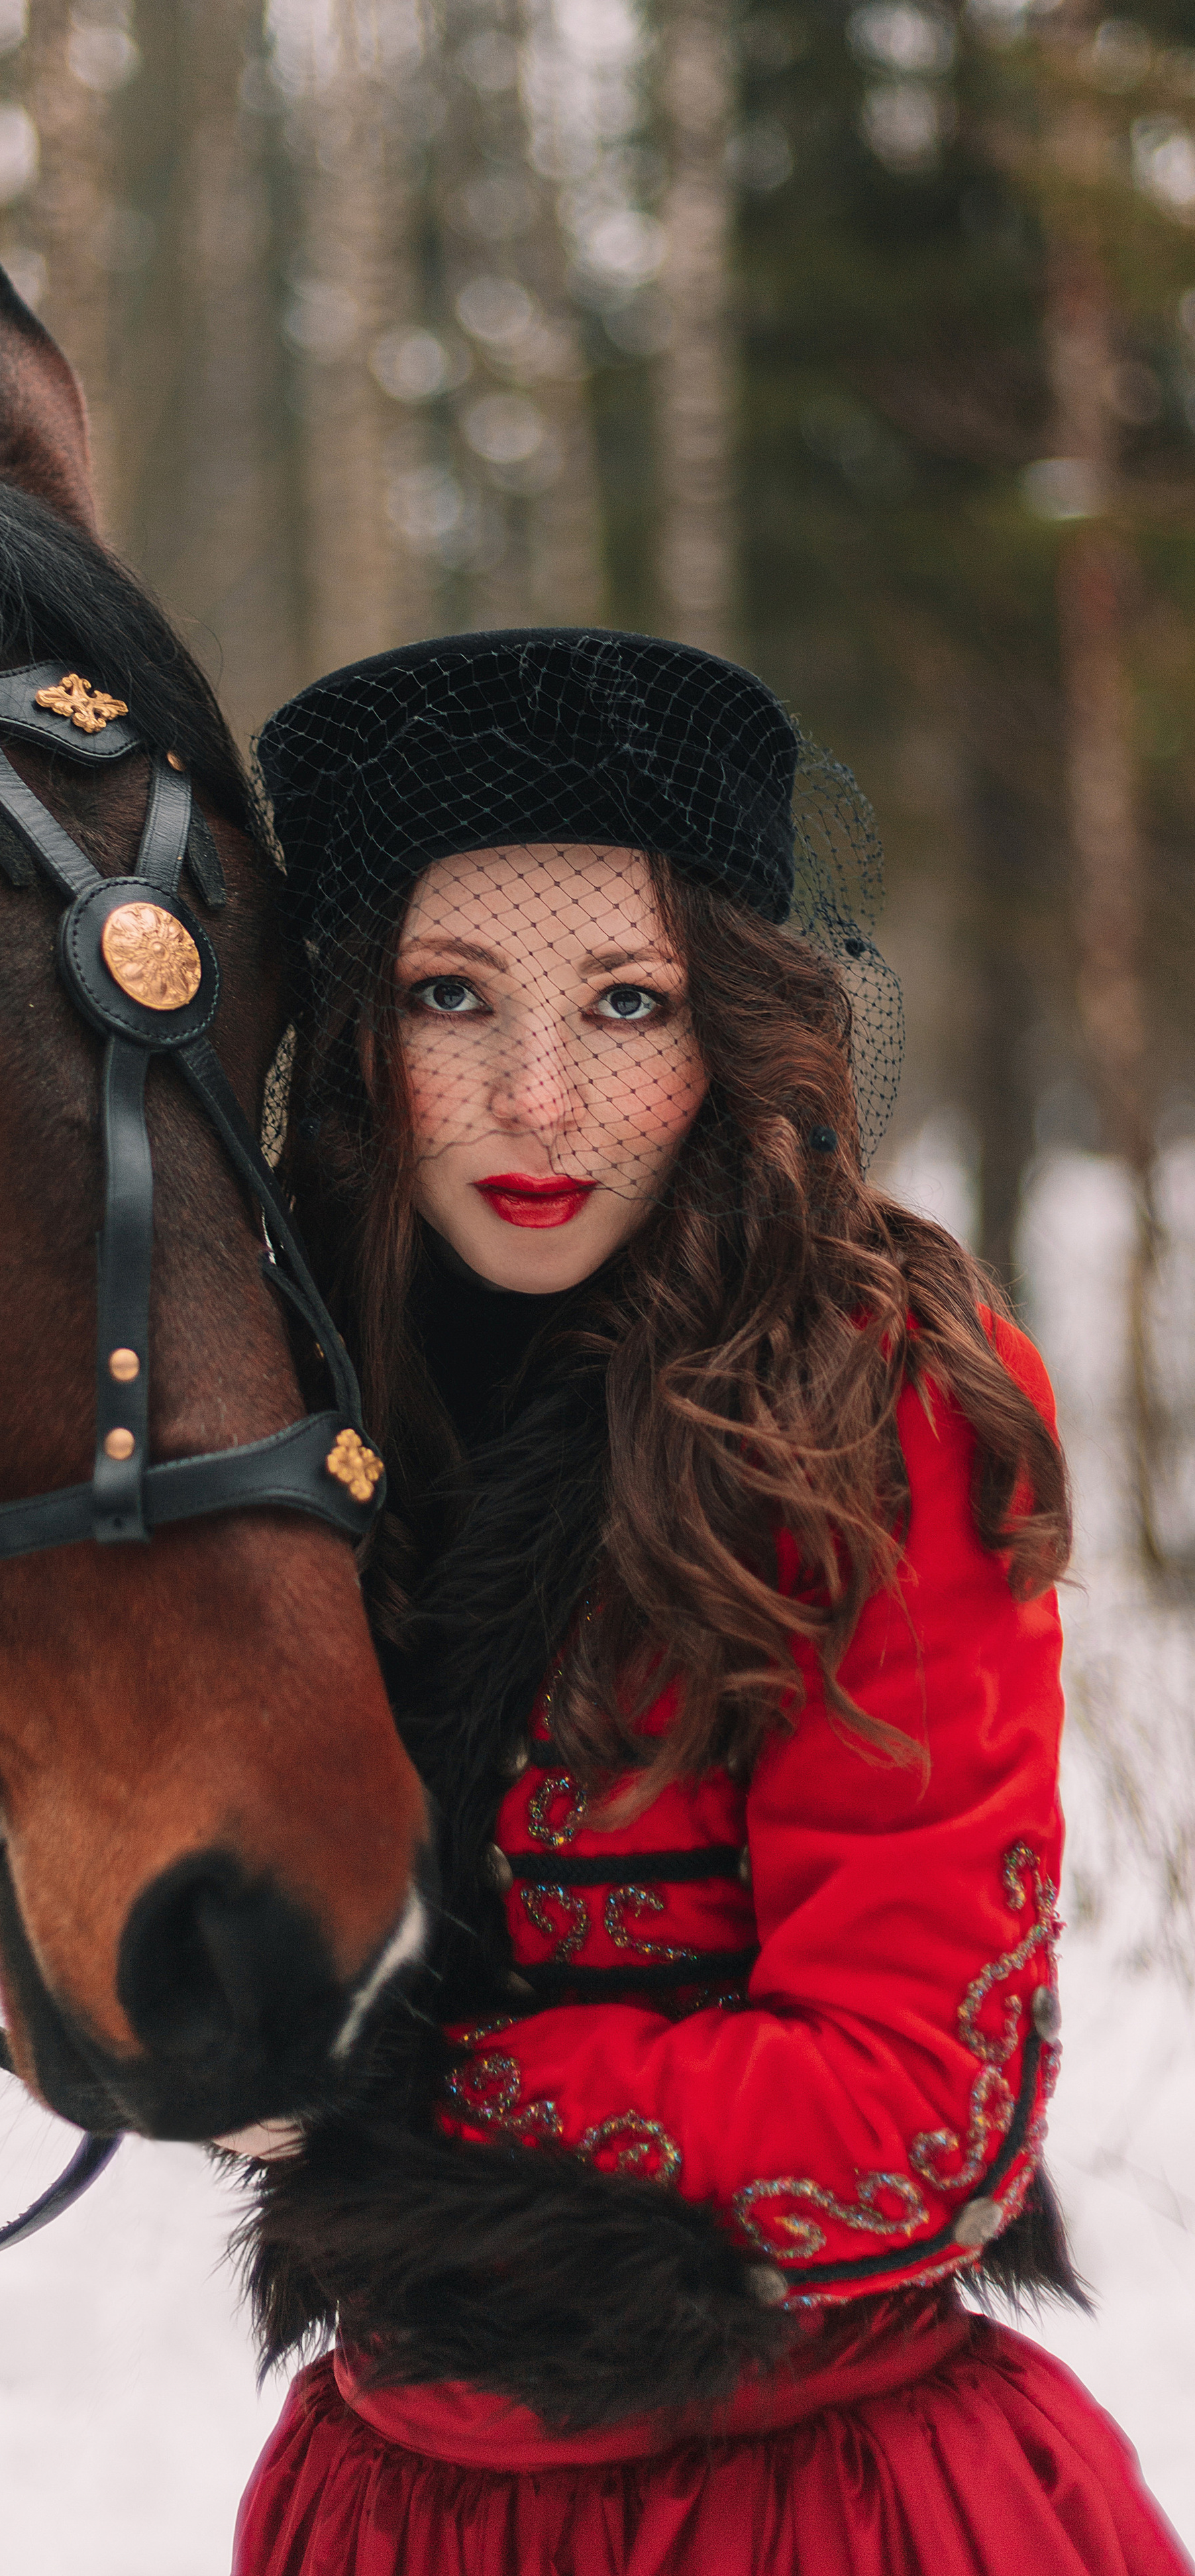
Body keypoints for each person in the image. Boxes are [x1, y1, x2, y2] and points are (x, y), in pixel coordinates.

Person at [227, 631, 1188, 2576]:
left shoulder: (868, 1395)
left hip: (815, 2506)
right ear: (352, 1036)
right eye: (450, 997)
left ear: (730, 1023)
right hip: (388, 2507)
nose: (542, 1097)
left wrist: (389, 2084)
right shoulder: (284, 1411)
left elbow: (922, 2117)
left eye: (628, 1002)